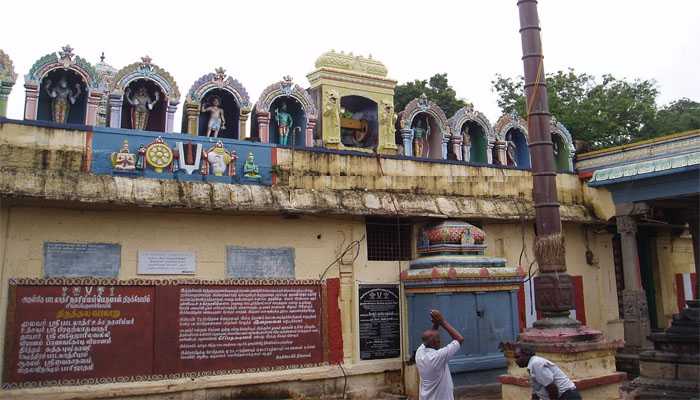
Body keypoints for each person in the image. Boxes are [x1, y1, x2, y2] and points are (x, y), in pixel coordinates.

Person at [415, 310, 464, 400]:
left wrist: (436, 323)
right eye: (439, 339)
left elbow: (431, 335)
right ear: (435, 343)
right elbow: (459, 339)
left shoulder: (419, 352)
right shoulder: (437, 356)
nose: (440, 342)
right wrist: (442, 322)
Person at [514, 345, 581, 400]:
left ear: (526, 354)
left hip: (567, 396)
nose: (516, 361)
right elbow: (536, 391)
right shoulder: (532, 366)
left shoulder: (536, 364)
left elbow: (551, 387)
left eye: (518, 357)